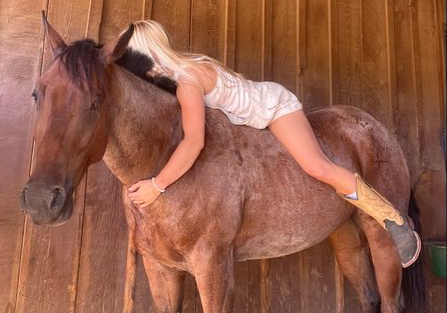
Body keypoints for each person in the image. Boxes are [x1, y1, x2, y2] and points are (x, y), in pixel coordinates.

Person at [127, 20, 420, 268]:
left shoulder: (186, 82)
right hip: (256, 120)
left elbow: (194, 142)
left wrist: (157, 184)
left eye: (135, 62)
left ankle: (394, 220)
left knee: (317, 166)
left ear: (147, 55)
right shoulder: (187, 67)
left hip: (274, 108)